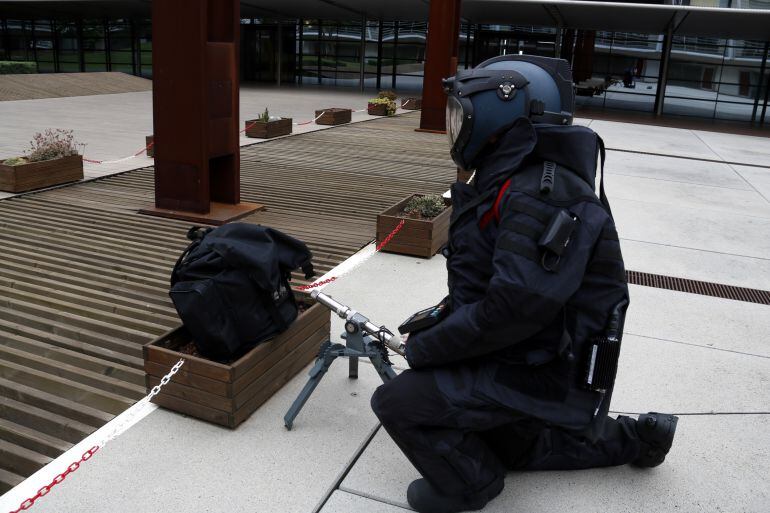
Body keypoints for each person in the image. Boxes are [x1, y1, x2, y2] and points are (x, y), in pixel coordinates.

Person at [370, 55, 678, 513]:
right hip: (530, 355)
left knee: (398, 402)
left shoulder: (539, 194)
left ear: (501, 116)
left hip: (538, 370)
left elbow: (513, 307)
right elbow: (490, 290)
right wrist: (437, 326)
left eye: (461, 115)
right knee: (514, 446)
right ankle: (639, 438)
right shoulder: (518, 178)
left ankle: (471, 486)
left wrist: (428, 350)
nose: (456, 127)